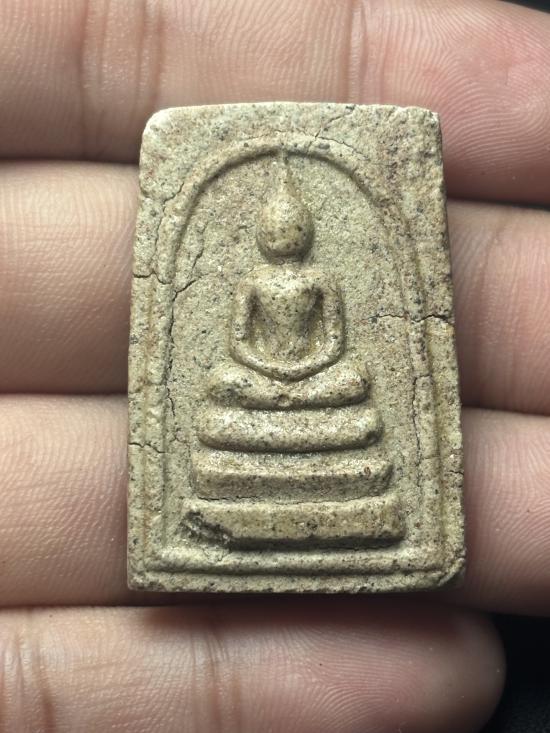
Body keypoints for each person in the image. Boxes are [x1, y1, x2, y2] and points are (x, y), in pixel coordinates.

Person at [1, 0, 550, 730]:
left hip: (320, 384)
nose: (284, 238)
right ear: (265, 234)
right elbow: (235, 347)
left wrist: (305, 373)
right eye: (276, 229)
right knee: (222, 391)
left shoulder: (321, 282)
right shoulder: (254, 283)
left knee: (355, 387)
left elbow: (338, 346)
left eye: (293, 230)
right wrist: (271, 373)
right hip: (259, 383)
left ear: (305, 234)